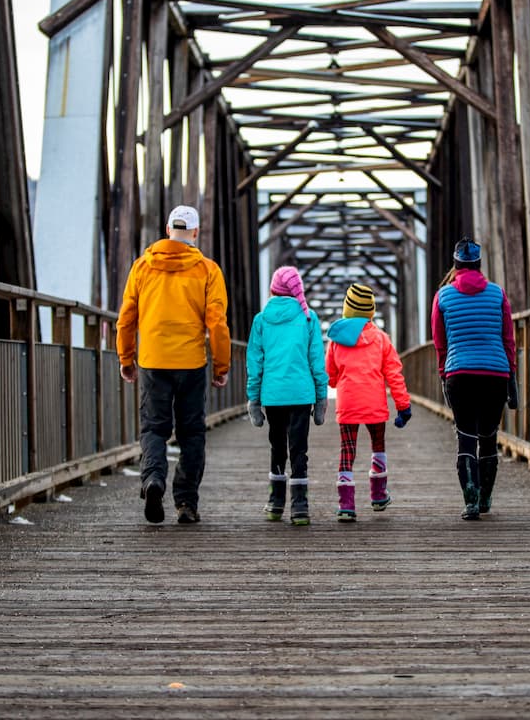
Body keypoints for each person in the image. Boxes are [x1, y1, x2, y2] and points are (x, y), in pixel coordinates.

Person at [116, 205, 230, 525]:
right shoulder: (207, 270)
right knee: (192, 433)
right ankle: (186, 502)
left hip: (153, 361)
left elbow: (126, 320)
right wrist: (221, 366)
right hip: (191, 362)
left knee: (154, 428)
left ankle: (153, 479)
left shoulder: (142, 267)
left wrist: (126, 358)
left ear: (168, 230)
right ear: (195, 233)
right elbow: (218, 324)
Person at [431, 237, 516, 520]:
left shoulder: (443, 296)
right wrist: (511, 372)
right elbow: (508, 339)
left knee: (465, 438)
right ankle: (485, 499)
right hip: (495, 374)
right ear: (479, 264)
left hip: (460, 374)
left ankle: (470, 502)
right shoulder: (497, 293)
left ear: (456, 265)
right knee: (488, 438)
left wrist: (444, 373)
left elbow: (440, 343)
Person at [246, 266, 328, 526]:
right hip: (301, 395)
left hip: (273, 395)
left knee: (277, 447)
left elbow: (255, 363)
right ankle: (300, 506)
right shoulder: (308, 318)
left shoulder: (261, 320)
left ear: (273, 289)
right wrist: (321, 396)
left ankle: (275, 502)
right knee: (299, 449)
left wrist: (254, 398)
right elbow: (317, 360)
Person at [325, 283, 411, 522]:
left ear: (347, 308)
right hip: (375, 403)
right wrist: (403, 405)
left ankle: (346, 504)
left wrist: (338, 381)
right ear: (371, 310)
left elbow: (329, 376)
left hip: (348, 402)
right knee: (378, 445)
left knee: (347, 451)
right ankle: (378, 494)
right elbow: (394, 374)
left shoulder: (335, 340)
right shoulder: (382, 339)